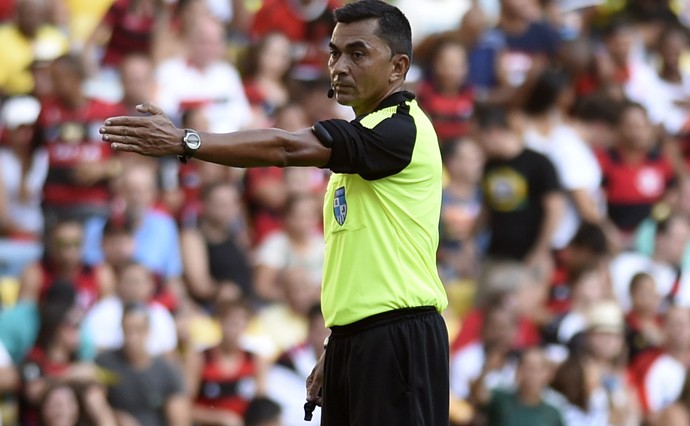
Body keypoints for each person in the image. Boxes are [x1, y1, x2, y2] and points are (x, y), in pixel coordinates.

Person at [100, 1, 450, 424]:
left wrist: (185, 140)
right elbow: (365, 264)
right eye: (334, 52)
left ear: (398, 68)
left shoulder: (399, 129)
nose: (339, 66)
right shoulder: (367, 143)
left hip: (397, 341)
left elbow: (285, 147)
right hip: (357, 339)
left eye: (358, 54)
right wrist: (336, 344)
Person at [95, 303, 189, 426]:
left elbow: (179, 415)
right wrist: (116, 416)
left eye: (138, 330)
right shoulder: (107, 362)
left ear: (148, 331)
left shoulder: (166, 370)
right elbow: (95, 398)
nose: (132, 338)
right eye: (127, 330)